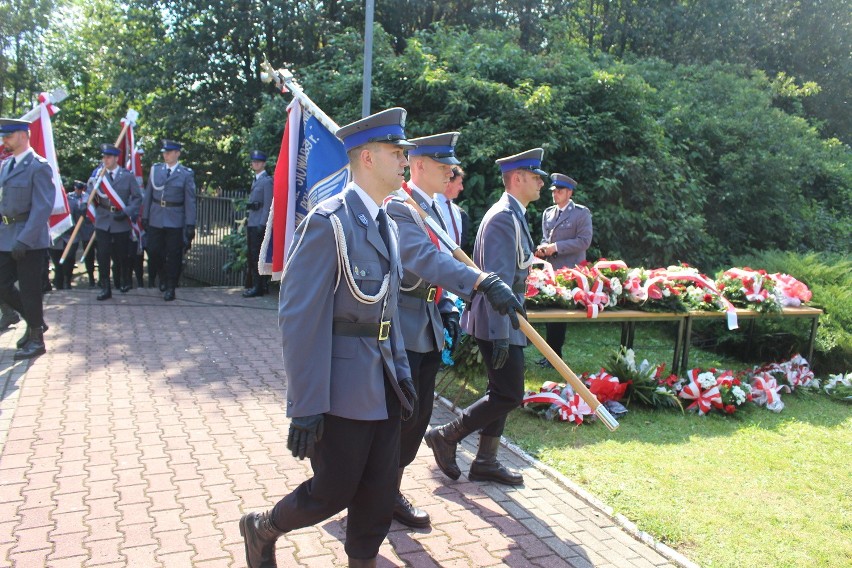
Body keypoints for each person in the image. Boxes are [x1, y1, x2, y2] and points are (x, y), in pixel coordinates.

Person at [239, 108, 419, 568]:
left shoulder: (387, 223)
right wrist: (305, 405)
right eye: (396, 153)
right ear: (366, 159)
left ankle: (362, 560)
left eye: (404, 154)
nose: (404, 162)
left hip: (381, 384)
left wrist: (401, 372)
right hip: (339, 389)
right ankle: (264, 527)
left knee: (379, 490)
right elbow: (300, 319)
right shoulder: (329, 222)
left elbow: (387, 313)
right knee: (332, 491)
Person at [386, 132, 524, 528]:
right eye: (443, 164)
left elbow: (440, 262)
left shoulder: (438, 209)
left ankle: (386, 488)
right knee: (398, 416)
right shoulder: (400, 205)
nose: (450, 171)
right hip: (401, 322)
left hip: (428, 319)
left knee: (418, 415)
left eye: (451, 165)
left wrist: (447, 305)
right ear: (419, 166)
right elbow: (421, 257)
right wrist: (480, 282)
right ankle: (376, 492)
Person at [425, 147, 547, 487]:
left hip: (508, 320)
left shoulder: (514, 214)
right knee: (509, 393)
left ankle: (486, 461)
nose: (540, 183)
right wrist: (502, 334)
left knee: (502, 391)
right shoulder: (503, 218)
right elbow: (496, 281)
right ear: (518, 178)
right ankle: (447, 435)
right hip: (499, 322)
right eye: (535, 177)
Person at [0, 117, 54, 359]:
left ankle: (36, 339)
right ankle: (36, 321)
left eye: (8, 136)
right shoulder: (6, 166)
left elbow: (42, 207)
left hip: (29, 239)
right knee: (2, 284)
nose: (5, 141)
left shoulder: (38, 166)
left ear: (23, 135)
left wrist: (25, 239)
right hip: (5, 235)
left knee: (31, 289)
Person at [534, 173, 593, 366]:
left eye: (559, 191)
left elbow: (584, 241)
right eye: (553, 190)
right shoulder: (548, 213)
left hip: (570, 271)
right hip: (551, 269)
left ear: (569, 192)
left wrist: (556, 247)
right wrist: (543, 248)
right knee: (550, 314)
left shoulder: (580, 213)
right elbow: (546, 238)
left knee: (558, 315)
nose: (555, 194)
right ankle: (550, 355)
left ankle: (555, 356)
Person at [141, 139, 196, 301]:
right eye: (164, 152)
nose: (166, 155)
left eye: (169, 152)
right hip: (156, 217)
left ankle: (171, 285)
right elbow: (148, 194)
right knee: (153, 251)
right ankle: (163, 276)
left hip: (175, 218)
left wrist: (190, 223)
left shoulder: (185, 174)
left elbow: (190, 200)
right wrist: (145, 216)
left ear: (177, 154)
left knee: (174, 254)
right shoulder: (156, 170)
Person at [88, 143, 142, 300]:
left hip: (120, 220)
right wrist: (88, 202)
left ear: (116, 158)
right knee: (103, 254)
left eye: (109, 157)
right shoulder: (98, 175)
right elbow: (90, 194)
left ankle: (125, 280)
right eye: (104, 157)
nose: (106, 160)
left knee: (122, 254)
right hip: (103, 219)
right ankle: (105, 286)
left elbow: (137, 197)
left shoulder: (127, 176)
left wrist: (127, 212)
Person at [242, 150, 273, 297]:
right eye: (254, 162)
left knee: (257, 255)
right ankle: (258, 285)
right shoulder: (256, 179)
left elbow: (267, 205)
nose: (256, 164)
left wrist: (263, 223)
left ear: (264, 164)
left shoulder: (266, 181)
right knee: (253, 255)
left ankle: (258, 287)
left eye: (258, 162)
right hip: (252, 221)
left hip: (258, 223)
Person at [67, 180, 97, 287]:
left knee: (89, 255)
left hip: (87, 229)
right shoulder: (69, 197)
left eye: (80, 189)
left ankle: (92, 279)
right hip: (73, 229)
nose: (78, 191)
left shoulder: (87, 197)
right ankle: (67, 281)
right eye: (77, 189)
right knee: (70, 255)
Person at [434, 165, 467, 247]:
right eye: (459, 184)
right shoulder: (433, 206)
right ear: (448, 183)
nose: (461, 188)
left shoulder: (456, 210)